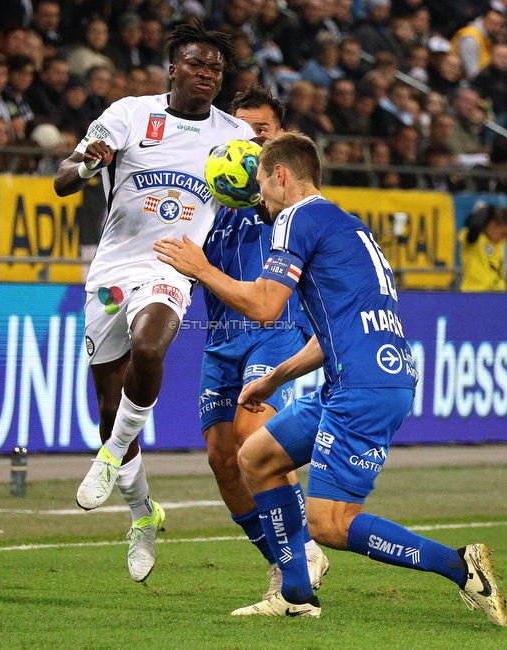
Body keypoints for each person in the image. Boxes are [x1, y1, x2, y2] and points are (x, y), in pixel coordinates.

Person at [152, 132, 507, 624]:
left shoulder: (297, 217)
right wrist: (275, 378)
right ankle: (295, 596)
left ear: (280, 175)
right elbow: (331, 333)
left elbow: (264, 306)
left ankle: (460, 566)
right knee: (255, 458)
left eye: (260, 180)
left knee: (329, 523)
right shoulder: (348, 226)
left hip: (364, 387)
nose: (259, 194)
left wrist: (203, 268)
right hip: (361, 377)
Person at [52, 19, 253, 583]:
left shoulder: (235, 135)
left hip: (172, 266)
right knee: (110, 407)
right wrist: (89, 159)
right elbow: (63, 181)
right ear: (173, 67)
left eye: (216, 68)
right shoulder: (129, 114)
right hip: (112, 271)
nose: (207, 74)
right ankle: (143, 515)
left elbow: (264, 193)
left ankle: (109, 458)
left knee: (150, 345)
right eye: (196, 63)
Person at [200, 86, 329, 602]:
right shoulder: (209, 191)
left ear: (280, 139)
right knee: (220, 457)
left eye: (262, 131)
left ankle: (298, 560)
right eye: (241, 130)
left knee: (254, 433)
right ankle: (288, 557)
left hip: (274, 327)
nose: (249, 140)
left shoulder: (286, 198)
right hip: (219, 334)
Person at [458, 204, 507, 292]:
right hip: (474, 295)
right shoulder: (474, 240)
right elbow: (474, 226)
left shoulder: (499, 243)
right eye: (502, 234)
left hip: (497, 296)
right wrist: (490, 209)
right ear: (492, 223)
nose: (503, 239)